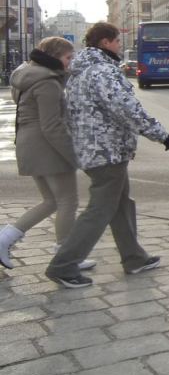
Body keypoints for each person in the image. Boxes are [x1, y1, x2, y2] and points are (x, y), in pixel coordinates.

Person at [45, 22, 169, 289]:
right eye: (117, 41)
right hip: (106, 151)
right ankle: (63, 265)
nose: (120, 45)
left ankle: (134, 257)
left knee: (121, 203)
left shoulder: (82, 71)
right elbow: (126, 108)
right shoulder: (102, 71)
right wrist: (159, 133)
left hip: (98, 149)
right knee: (100, 209)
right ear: (105, 42)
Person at [0, 37, 93, 272]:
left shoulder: (27, 75)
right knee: (67, 201)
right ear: (54, 57)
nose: (70, 62)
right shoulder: (48, 82)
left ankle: (4, 239)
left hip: (29, 144)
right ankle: (66, 255)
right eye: (68, 57)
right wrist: (73, 156)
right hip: (47, 148)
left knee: (51, 201)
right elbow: (52, 126)